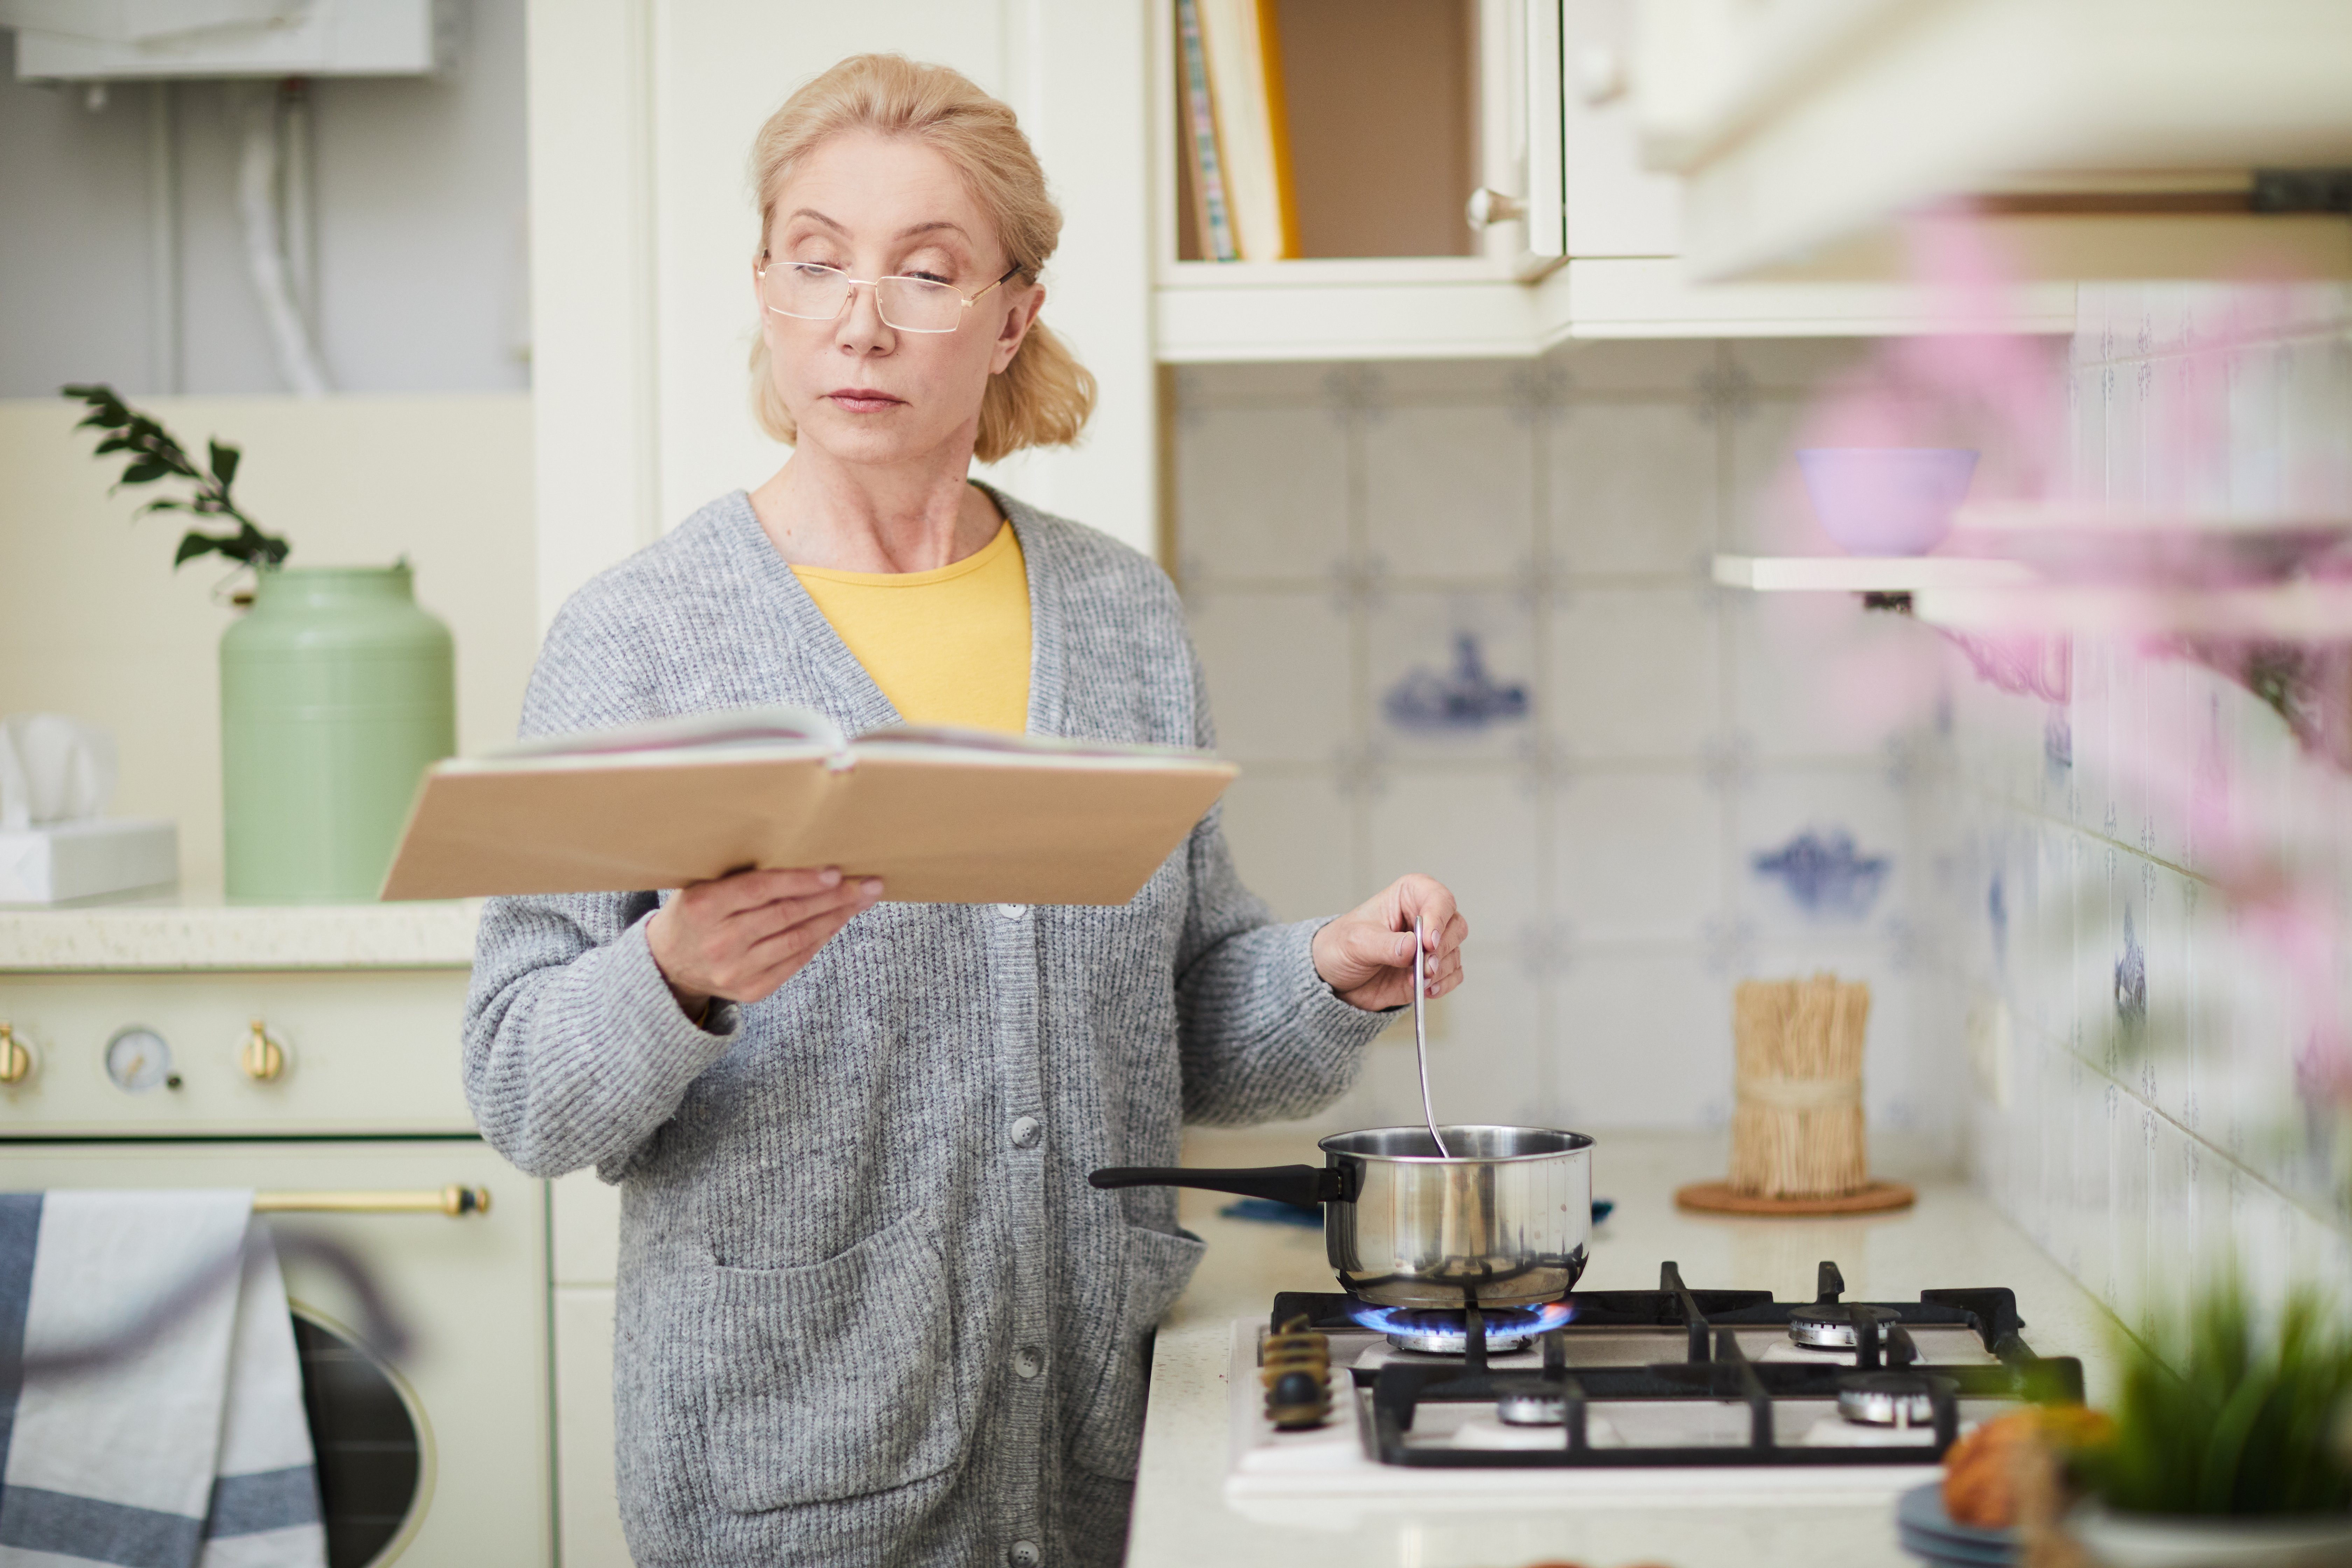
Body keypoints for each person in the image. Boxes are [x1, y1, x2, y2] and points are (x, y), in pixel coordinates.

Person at [462, 52, 1468, 1568]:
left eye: (925, 272)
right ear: (766, 288)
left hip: (1090, 1454)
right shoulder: (640, 637)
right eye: (818, 262)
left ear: (1011, 313)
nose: (860, 319)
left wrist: (1328, 969)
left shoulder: (1120, 616)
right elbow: (523, 1088)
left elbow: (1182, 1016)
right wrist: (678, 974)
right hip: (789, 1475)